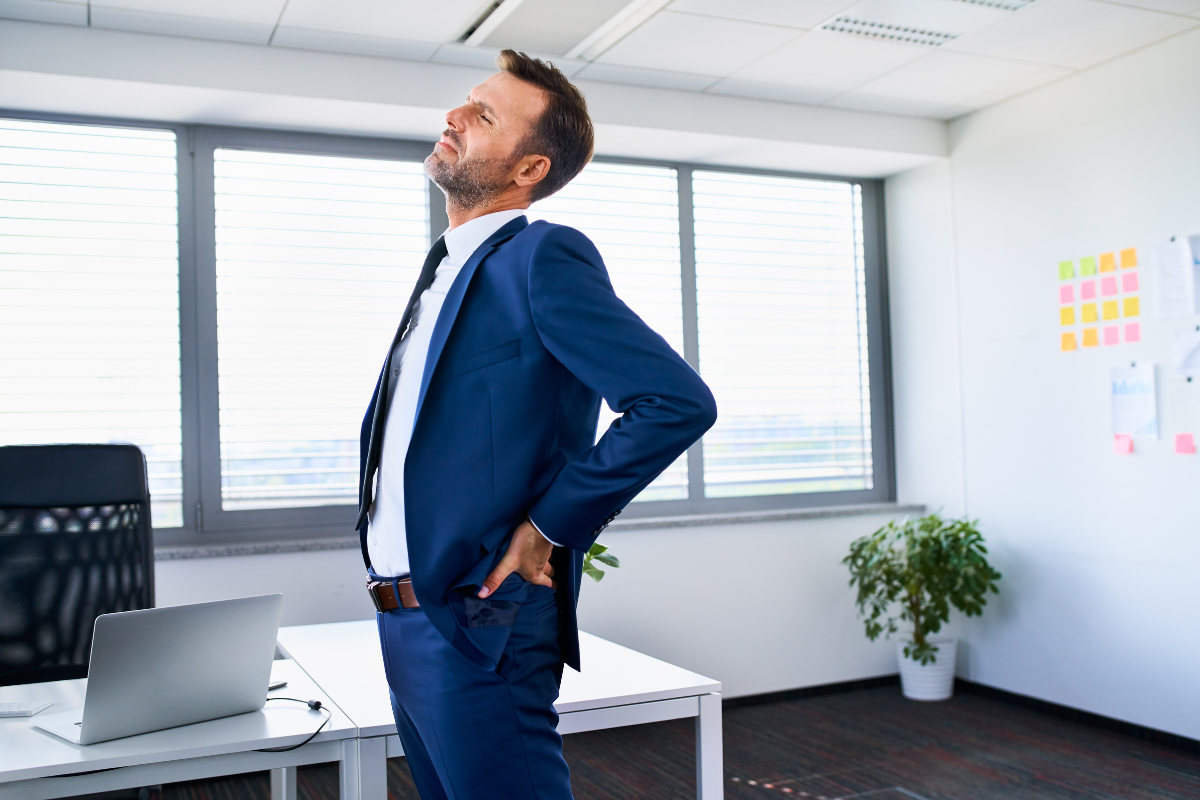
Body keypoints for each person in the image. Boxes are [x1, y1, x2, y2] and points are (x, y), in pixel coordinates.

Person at [356, 49, 717, 800]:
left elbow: (675, 401)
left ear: (529, 169)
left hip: (479, 622)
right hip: (404, 620)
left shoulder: (540, 258)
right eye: (466, 102)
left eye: (484, 115)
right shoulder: (442, 274)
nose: (453, 116)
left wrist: (549, 525)